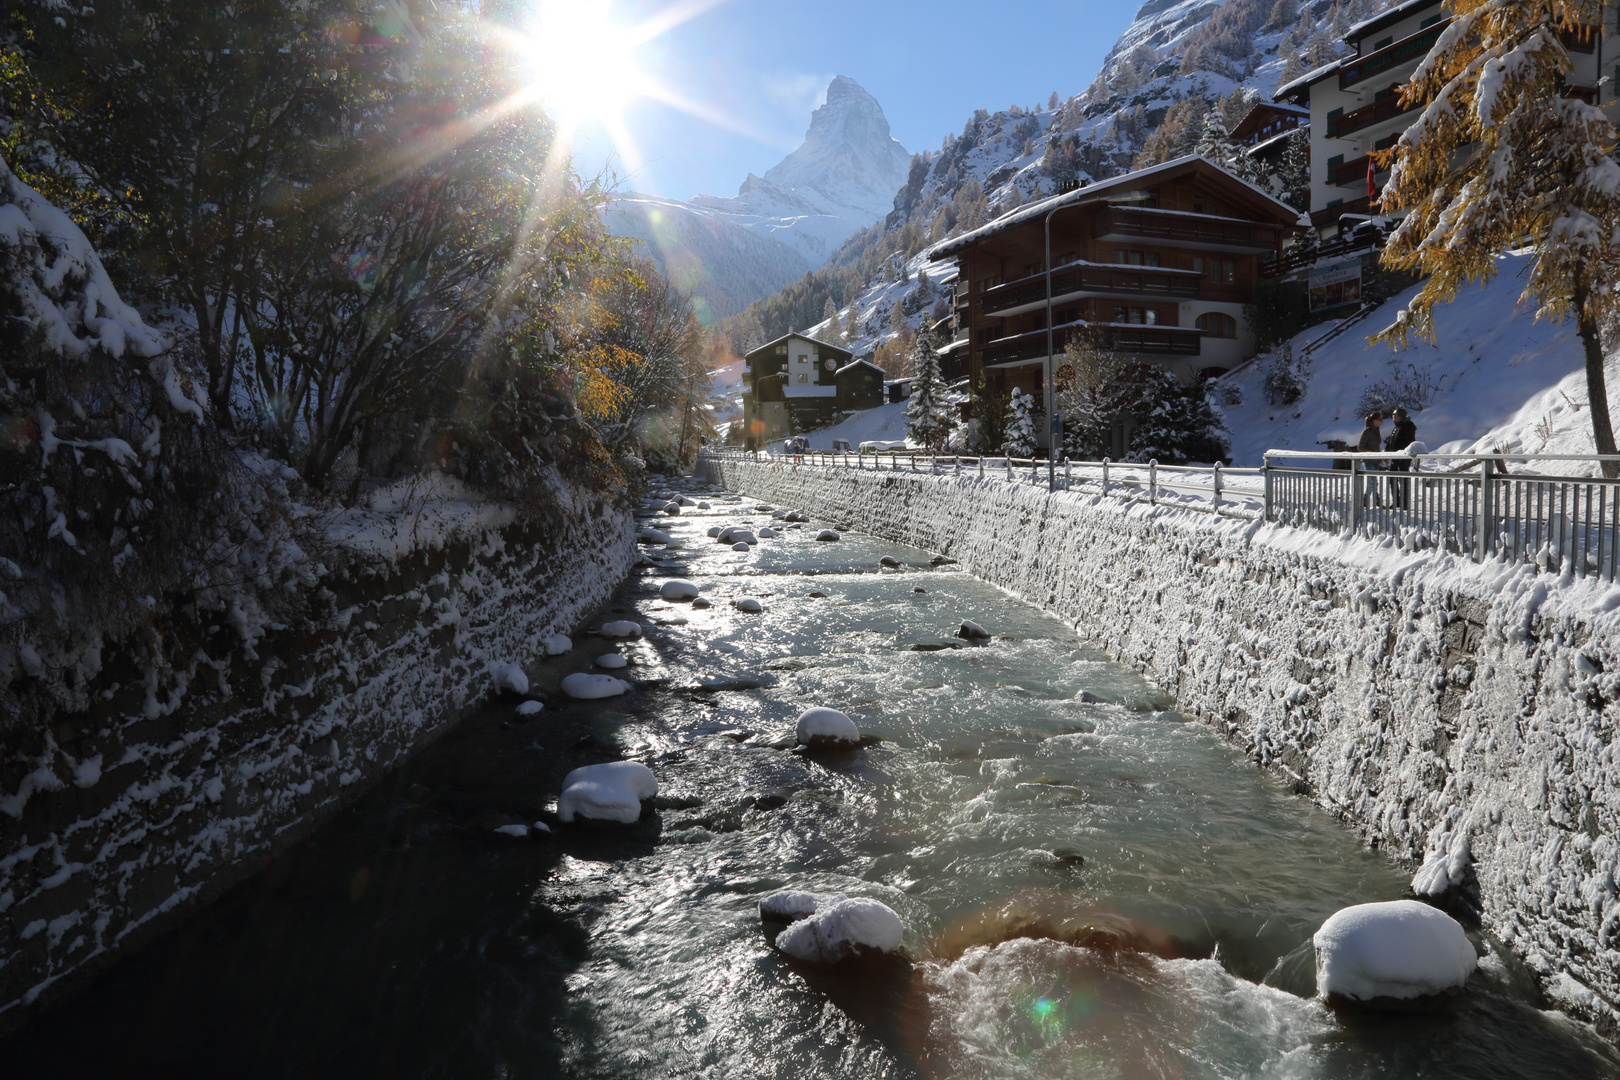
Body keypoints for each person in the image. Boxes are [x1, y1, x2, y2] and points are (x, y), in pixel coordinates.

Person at [1384, 407, 1416, 509]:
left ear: (1400, 416)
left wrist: (1403, 454)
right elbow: (1391, 442)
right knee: (1392, 479)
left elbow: (1408, 442)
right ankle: (1396, 501)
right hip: (1394, 458)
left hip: (1402, 458)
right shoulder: (1396, 427)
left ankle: (1404, 503)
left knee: (1403, 480)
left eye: (1395, 415)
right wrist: (1387, 452)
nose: (1393, 417)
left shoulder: (1408, 427)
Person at [1357, 412, 1384, 506]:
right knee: (1373, 480)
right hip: (1368, 460)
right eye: (1379, 419)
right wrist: (1370, 453)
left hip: (1375, 460)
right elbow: (1360, 447)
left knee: (1371, 481)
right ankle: (1377, 500)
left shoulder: (1377, 431)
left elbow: (1376, 446)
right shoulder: (1367, 431)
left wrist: (1379, 457)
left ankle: (1364, 498)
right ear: (1374, 421)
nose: (1381, 421)